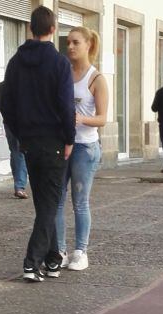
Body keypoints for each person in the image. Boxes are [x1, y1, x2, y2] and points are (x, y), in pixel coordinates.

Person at [1, 6, 75, 283]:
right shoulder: (59, 64)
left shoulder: (15, 62)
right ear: (54, 29)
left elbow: (6, 102)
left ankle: (53, 259)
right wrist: (69, 138)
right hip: (54, 140)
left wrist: (20, 132)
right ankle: (31, 263)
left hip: (30, 141)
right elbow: (66, 106)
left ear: (30, 28)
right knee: (49, 204)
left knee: (45, 201)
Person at [55, 26, 108, 272]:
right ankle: (59, 250)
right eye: (68, 42)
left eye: (76, 42)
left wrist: (80, 119)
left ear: (88, 44)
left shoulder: (96, 79)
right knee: (56, 200)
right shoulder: (63, 72)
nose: (70, 47)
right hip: (62, 143)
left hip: (85, 147)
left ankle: (80, 251)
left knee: (80, 202)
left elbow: (102, 118)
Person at [0, 81, 28, 199]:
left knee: (17, 152)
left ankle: (20, 186)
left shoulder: (4, 85)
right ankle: (21, 185)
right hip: (25, 124)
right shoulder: (26, 83)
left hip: (12, 124)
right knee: (21, 152)